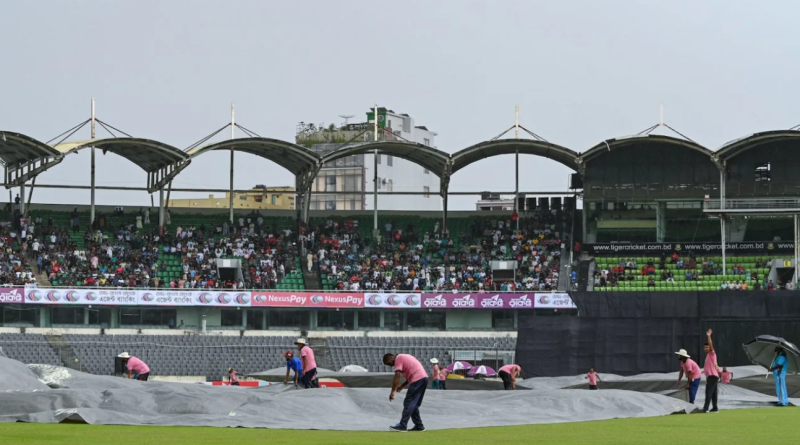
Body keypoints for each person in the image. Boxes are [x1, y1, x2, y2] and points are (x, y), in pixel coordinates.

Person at [383, 353, 428, 432]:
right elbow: (411, 374)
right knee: (414, 404)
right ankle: (419, 425)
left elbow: (397, 375)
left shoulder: (398, 358)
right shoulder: (404, 357)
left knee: (408, 402)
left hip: (418, 379)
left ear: (391, 357)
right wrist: (402, 386)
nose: (391, 366)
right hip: (423, 378)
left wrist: (392, 392)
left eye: (389, 363)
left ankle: (403, 425)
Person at [703, 329, 720, 412]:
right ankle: (715, 407)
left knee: (708, 392)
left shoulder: (711, 353)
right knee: (713, 393)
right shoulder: (708, 356)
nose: (706, 348)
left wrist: (709, 336)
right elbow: (715, 366)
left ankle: (705, 408)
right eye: (705, 347)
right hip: (713, 376)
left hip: (712, 376)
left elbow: (711, 345)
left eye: (707, 347)